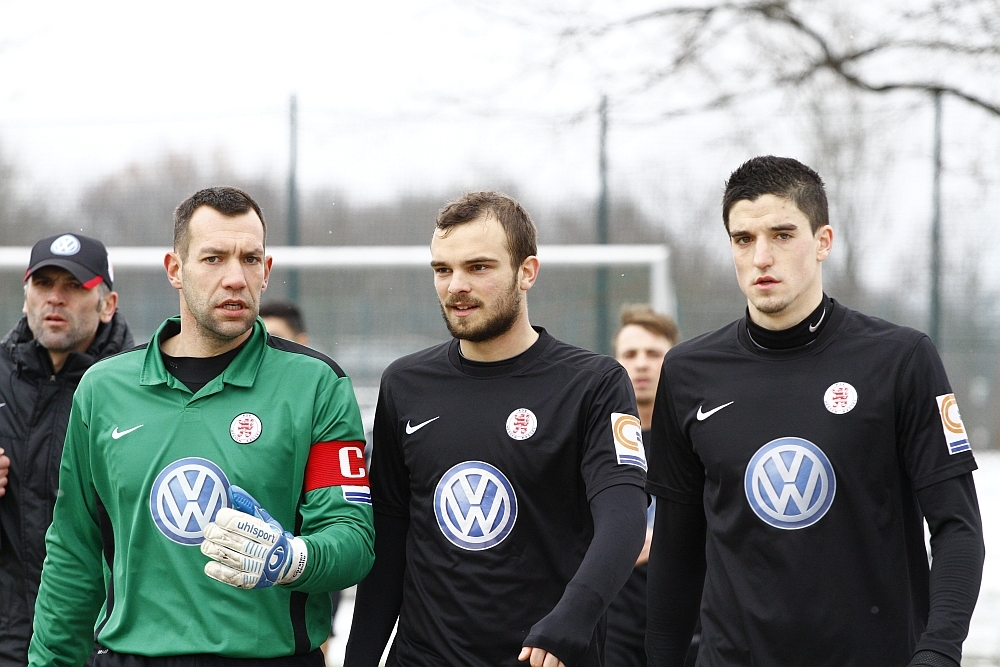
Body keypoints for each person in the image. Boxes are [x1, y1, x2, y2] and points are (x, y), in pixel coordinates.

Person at [644, 156, 985, 667]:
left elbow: (958, 528)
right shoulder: (688, 372)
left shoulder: (900, 359)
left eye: (782, 235)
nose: (762, 257)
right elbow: (676, 548)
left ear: (823, 241)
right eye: (743, 239)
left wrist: (938, 651)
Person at [28, 187, 375, 667]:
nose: (235, 278)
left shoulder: (316, 385)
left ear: (266, 270)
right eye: (214, 259)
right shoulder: (103, 390)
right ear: (175, 269)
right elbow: (73, 553)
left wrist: (293, 559)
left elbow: (353, 538)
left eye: (249, 259)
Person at [344, 191, 648, 667]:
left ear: (527, 272)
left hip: (543, 656)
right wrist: (359, 658)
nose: (456, 286)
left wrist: (573, 618)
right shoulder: (405, 384)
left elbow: (624, 519)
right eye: (443, 269)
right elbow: (389, 536)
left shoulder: (594, 383)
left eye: (478, 267)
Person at [0, 233, 133, 667]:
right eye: (43, 283)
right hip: (9, 636)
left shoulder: (141, 389)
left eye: (74, 285)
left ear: (108, 304)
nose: (55, 298)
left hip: (104, 640)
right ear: (26, 298)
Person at [606, 305, 680, 667]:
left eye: (653, 353)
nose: (641, 364)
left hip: (684, 621)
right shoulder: (594, 443)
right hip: (614, 624)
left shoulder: (696, 439)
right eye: (630, 354)